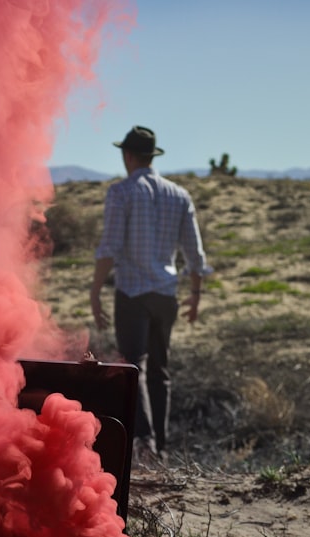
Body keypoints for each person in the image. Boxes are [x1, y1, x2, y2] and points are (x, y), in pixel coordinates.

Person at [90, 125, 211, 462]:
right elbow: (194, 252)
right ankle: (162, 446)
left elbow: (110, 247)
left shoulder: (122, 193)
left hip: (132, 293)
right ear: (150, 155)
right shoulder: (179, 195)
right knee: (160, 370)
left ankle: (145, 443)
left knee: (133, 366)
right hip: (166, 294)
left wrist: (96, 289)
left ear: (128, 155)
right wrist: (196, 293)